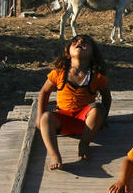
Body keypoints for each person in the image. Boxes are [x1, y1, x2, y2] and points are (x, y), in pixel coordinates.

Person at [37, 35, 111, 170]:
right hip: (62, 120)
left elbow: (107, 96)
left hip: (85, 123)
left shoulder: (96, 76)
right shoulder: (58, 73)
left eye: (85, 43)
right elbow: (44, 92)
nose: (80, 43)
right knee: (46, 117)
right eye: (75, 42)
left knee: (97, 108)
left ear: (93, 53)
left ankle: (84, 144)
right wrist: (39, 116)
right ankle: (55, 156)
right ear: (67, 52)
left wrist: (103, 118)